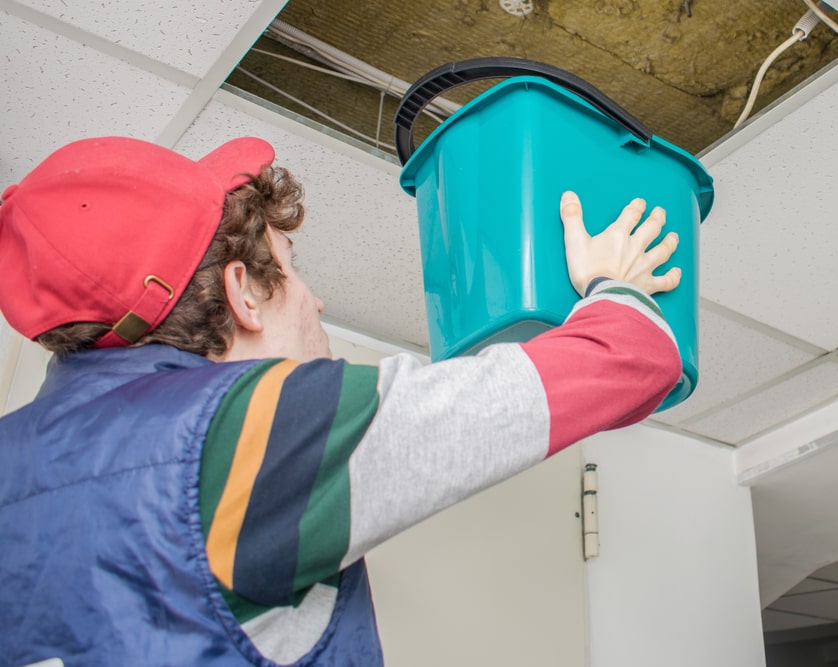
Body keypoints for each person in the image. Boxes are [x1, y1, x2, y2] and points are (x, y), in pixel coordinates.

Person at [0, 136, 683, 665]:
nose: (314, 299)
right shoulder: (255, 433)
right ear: (243, 291)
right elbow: (630, 360)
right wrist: (613, 285)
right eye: (292, 269)